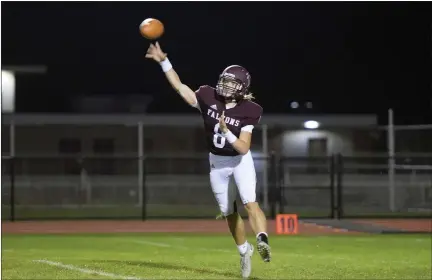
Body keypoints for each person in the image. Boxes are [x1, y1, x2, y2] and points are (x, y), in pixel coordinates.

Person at [146, 42, 271, 279]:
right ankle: (244, 251)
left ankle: (262, 239)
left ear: (242, 88)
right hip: (217, 162)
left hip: (239, 160)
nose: (224, 85)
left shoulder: (250, 110)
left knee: (250, 202)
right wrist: (164, 62)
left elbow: (243, 148)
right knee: (227, 211)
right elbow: (181, 88)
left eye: (231, 83)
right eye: (223, 80)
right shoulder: (207, 95)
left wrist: (226, 132)